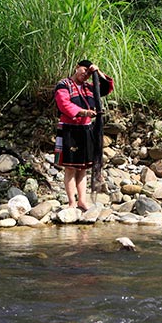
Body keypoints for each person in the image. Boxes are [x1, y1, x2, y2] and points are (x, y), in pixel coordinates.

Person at [54, 59, 114, 210]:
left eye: (88, 73)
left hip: (86, 129)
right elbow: (64, 104)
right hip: (69, 129)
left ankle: (82, 200)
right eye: (84, 70)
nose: (85, 74)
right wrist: (84, 112)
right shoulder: (64, 84)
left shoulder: (89, 87)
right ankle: (71, 202)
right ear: (76, 67)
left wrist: (97, 71)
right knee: (70, 168)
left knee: (83, 168)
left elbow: (106, 87)